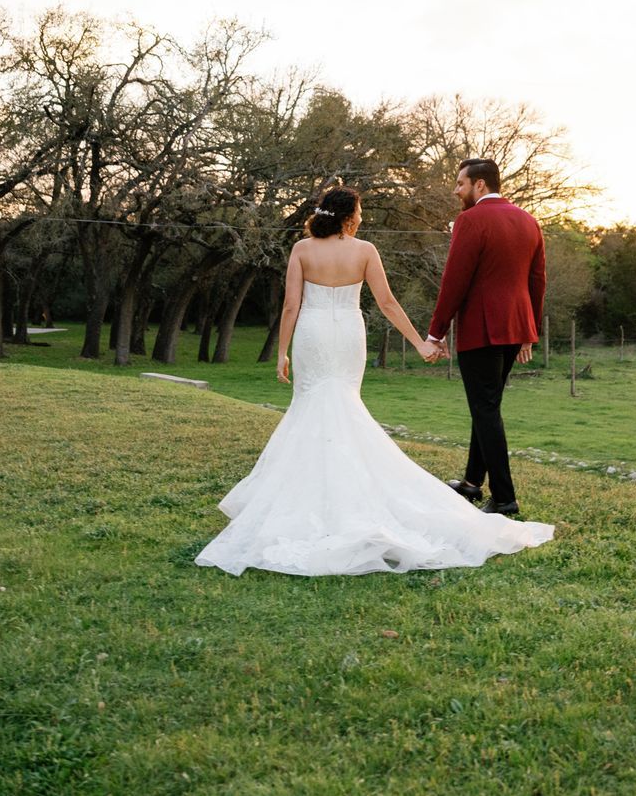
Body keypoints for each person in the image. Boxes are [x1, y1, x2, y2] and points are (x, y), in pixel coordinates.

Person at [195, 187, 553, 576]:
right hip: (348, 333)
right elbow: (387, 303)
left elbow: (291, 305)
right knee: (344, 406)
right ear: (349, 216)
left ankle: (314, 499)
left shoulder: (302, 249)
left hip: (312, 335)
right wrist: (420, 344)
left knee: (313, 406)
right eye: (360, 211)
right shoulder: (365, 250)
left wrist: (281, 351)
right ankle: (345, 496)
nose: (362, 217)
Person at [427, 157, 547, 518]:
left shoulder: (470, 220)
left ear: (480, 185)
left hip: (482, 329)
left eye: (460, 184)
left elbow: (454, 281)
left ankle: (505, 497)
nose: (456, 190)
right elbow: (538, 280)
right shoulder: (529, 221)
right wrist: (531, 331)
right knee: (487, 406)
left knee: (486, 409)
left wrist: (436, 331)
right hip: (516, 327)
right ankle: (471, 483)